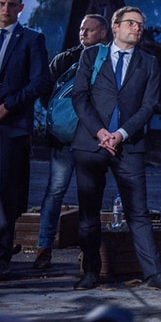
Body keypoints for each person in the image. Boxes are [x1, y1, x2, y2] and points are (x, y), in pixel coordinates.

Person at [70, 6, 161, 292]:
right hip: (91, 144)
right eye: (131, 23)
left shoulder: (149, 63)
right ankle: (91, 271)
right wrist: (100, 131)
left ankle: (154, 274)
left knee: (138, 212)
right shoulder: (92, 55)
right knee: (88, 213)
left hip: (129, 146)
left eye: (141, 25)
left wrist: (120, 134)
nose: (137, 28)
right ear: (115, 26)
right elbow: (80, 97)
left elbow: (148, 106)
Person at [33, 14, 109, 269]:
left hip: (92, 140)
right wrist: (64, 121)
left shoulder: (109, 60)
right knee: (55, 192)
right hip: (63, 141)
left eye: (90, 29)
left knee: (89, 195)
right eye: (81, 28)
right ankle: (43, 248)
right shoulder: (65, 59)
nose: (83, 33)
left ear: (103, 34)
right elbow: (46, 93)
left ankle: (87, 253)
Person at [0, 0, 50, 278]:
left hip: (11, 126)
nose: (5, 9)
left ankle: (2, 257)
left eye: (11, 4)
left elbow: (40, 82)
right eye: (1, 3)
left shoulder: (32, 39)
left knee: (5, 193)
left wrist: (8, 106)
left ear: (21, 8)